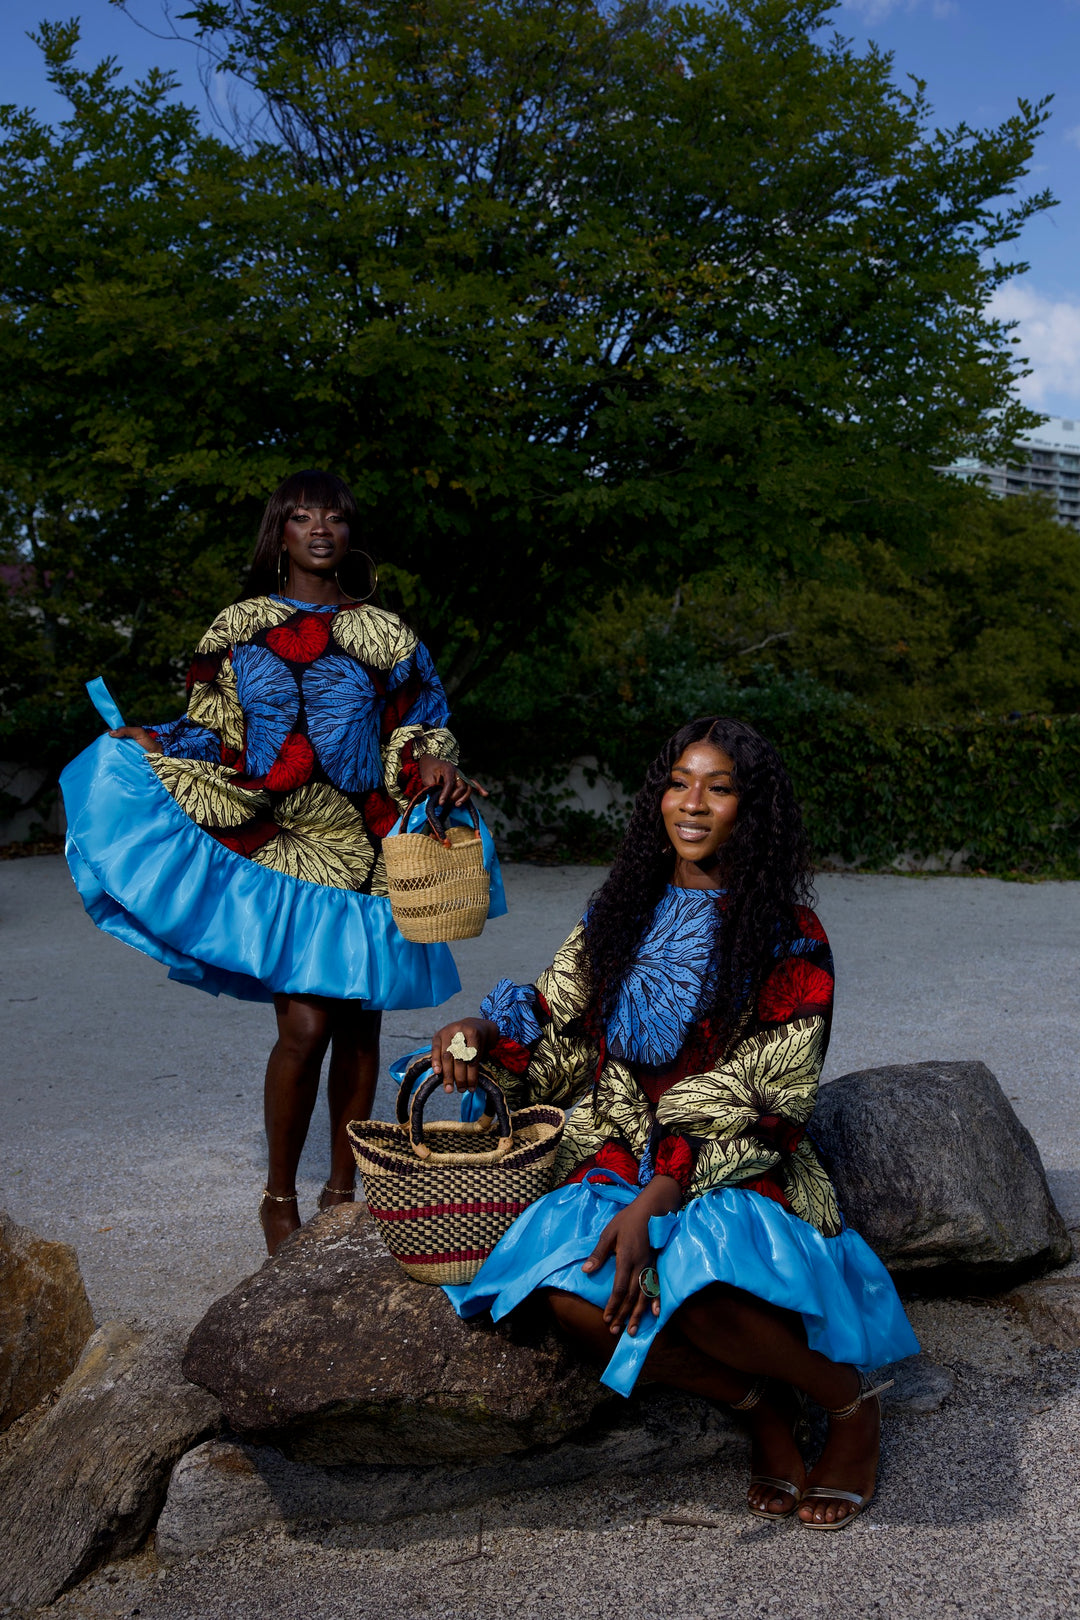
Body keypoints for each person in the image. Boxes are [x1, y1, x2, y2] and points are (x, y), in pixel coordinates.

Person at [430, 716, 918, 1529]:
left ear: (749, 810)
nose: (692, 803)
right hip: (621, 1156)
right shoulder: (619, 912)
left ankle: (847, 1401)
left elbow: (772, 1086)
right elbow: (558, 1027)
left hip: (734, 1160)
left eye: (719, 788)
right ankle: (759, 1406)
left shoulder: (788, 934)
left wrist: (659, 1194)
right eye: (679, 782)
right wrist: (485, 1035)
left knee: (704, 1287)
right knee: (578, 1304)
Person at [61, 469, 502, 1255]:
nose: (319, 529)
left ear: (349, 531)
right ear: (281, 534)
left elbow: (422, 721)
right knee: (304, 1027)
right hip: (284, 845)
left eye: (333, 515)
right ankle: (277, 1197)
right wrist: (156, 743)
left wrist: (434, 759)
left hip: (366, 844)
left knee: (360, 1028)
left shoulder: (389, 636)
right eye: (301, 517)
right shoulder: (237, 627)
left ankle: (343, 1194)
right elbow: (214, 729)